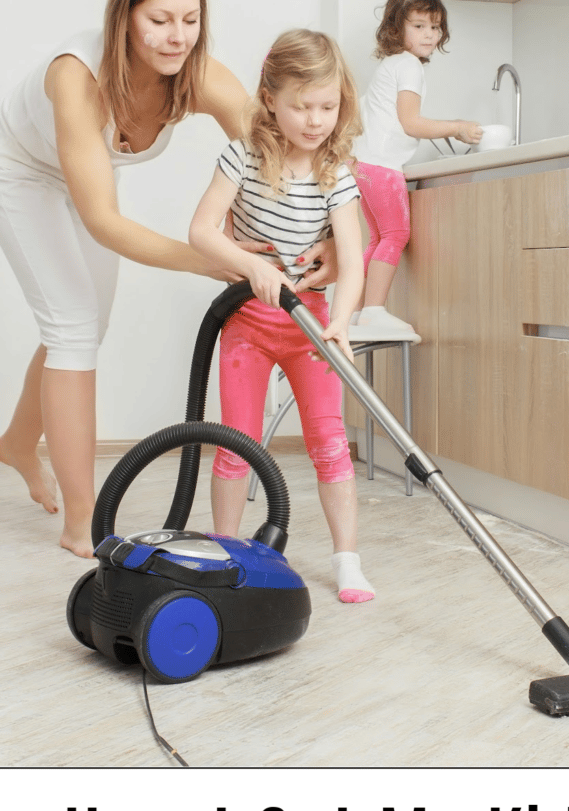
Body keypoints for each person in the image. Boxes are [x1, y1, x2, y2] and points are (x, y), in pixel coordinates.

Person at [0, 0, 336, 559]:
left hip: (87, 175)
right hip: (21, 171)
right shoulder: (76, 76)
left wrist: (327, 229)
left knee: (85, 325)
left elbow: (277, 148)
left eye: (190, 19)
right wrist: (210, 257)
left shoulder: (198, 74)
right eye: (159, 20)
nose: (176, 36)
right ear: (124, 17)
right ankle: (82, 522)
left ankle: (14, 444)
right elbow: (103, 222)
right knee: (72, 330)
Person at [189, 28, 375, 604]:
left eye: (327, 105)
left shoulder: (334, 171)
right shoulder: (242, 155)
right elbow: (200, 230)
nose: (315, 119)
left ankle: (347, 560)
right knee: (236, 442)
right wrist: (250, 264)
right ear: (271, 98)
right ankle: (225, 549)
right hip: (246, 323)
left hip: (309, 327)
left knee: (329, 440)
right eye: (301, 106)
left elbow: (352, 253)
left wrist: (339, 322)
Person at [352, 0, 482, 335]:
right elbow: (411, 123)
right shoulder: (409, 66)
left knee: (378, 238)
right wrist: (458, 126)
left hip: (363, 165)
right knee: (395, 235)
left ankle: (352, 312)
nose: (429, 34)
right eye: (419, 26)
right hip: (381, 166)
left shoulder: (392, 64)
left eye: (435, 27)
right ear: (397, 28)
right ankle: (372, 311)